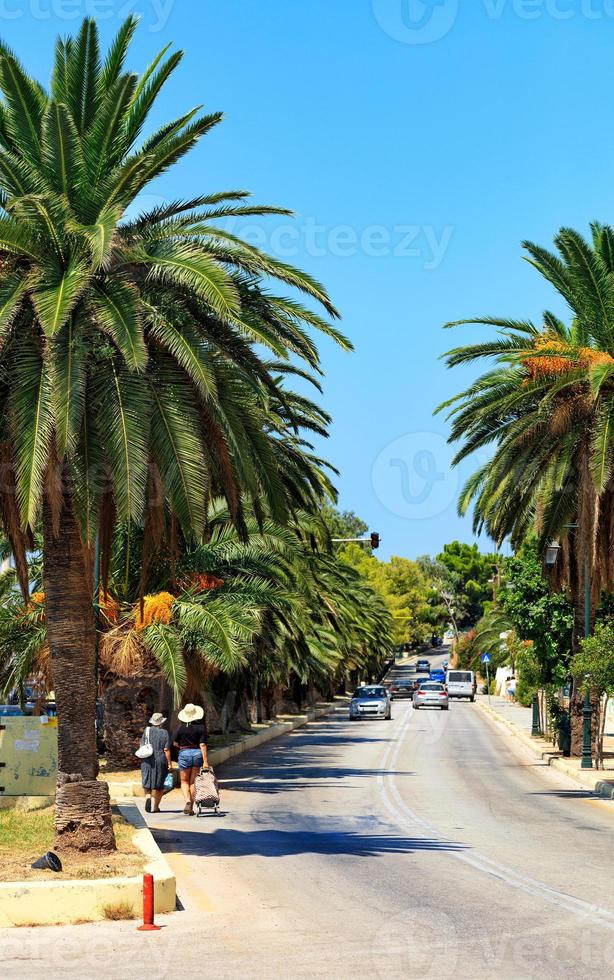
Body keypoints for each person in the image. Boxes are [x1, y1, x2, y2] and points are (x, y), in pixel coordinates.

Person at [173, 703, 208, 815]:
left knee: (184, 781)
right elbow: (202, 745)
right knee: (193, 782)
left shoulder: (180, 728)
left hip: (184, 753)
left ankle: (187, 801)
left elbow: (174, 742)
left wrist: (182, 747)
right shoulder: (201, 728)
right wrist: (206, 761)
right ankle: (191, 808)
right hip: (197, 754)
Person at [140, 713, 171, 814]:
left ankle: (148, 796)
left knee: (147, 782)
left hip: (147, 759)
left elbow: (142, 745)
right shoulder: (165, 733)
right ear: (161, 722)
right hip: (160, 759)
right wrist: (170, 763)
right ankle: (156, 807)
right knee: (159, 785)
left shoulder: (146, 731)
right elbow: (166, 749)